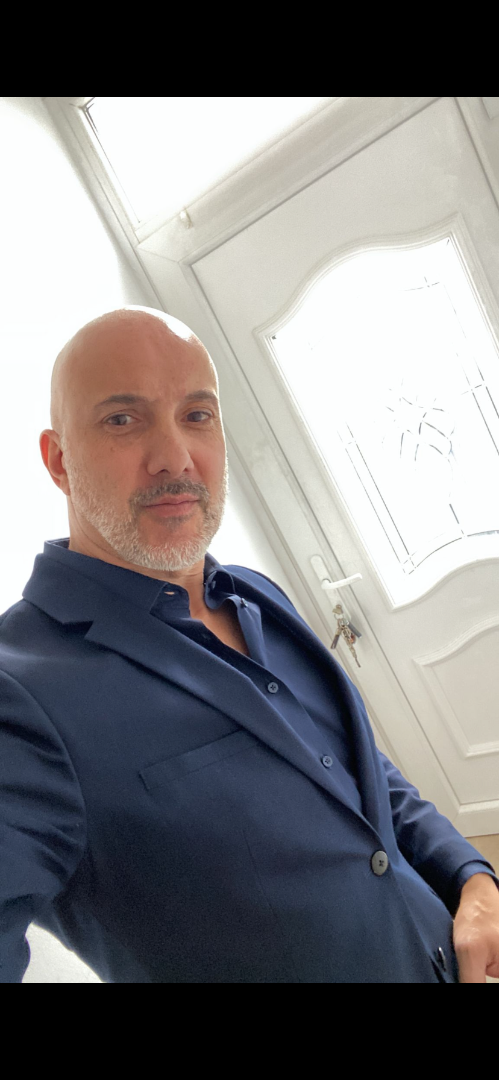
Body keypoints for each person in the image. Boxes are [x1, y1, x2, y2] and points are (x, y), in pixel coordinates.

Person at [1, 306, 498, 984]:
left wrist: (471, 880)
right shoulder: (20, 693)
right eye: (122, 419)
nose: (175, 457)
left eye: (196, 414)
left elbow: (361, 776)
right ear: (59, 460)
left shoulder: (255, 594)